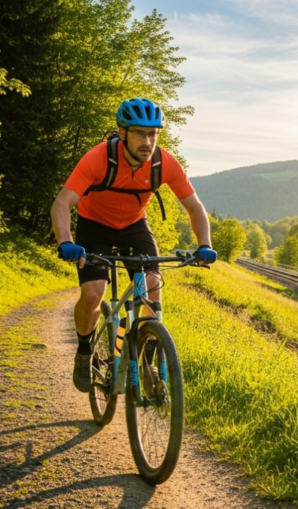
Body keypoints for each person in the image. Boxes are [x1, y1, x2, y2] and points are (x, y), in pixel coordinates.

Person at [50, 98, 217, 393]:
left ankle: (147, 361)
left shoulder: (164, 163)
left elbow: (195, 207)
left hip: (134, 227)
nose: (148, 141)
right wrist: (66, 241)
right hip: (94, 226)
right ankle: (85, 351)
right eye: (140, 133)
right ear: (122, 132)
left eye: (154, 134)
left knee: (153, 286)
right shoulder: (99, 158)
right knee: (93, 293)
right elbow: (62, 203)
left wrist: (204, 244)